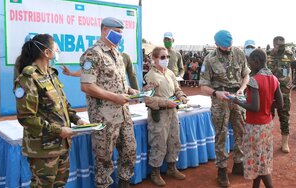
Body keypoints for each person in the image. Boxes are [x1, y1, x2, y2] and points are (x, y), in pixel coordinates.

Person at [14, 34, 88, 187]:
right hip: (43, 149)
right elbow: (26, 118)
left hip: (62, 145)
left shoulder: (52, 74)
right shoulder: (28, 78)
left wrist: (77, 119)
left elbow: (63, 104)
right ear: (46, 53)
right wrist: (58, 130)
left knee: (59, 184)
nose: (57, 51)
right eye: (55, 48)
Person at [79, 17, 137, 188]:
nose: (120, 36)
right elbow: (87, 86)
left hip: (123, 113)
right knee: (104, 157)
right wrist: (115, 98)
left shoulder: (117, 53)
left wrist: (129, 91)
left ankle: (124, 183)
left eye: (121, 32)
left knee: (129, 150)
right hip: (104, 116)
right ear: (104, 30)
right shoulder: (93, 53)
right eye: (116, 32)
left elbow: (116, 82)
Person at [199, 30, 250, 187]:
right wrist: (216, 93)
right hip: (220, 100)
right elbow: (203, 86)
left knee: (241, 130)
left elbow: (246, 75)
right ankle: (221, 170)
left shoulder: (239, 53)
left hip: (238, 98)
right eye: (225, 46)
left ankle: (238, 163)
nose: (228, 48)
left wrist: (242, 88)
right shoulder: (209, 59)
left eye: (230, 45)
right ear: (217, 44)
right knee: (221, 134)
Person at [230, 49, 283, 188]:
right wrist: (268, 103)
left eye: (250, 63)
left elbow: (254, 107)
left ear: (256, 62)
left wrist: (236, 100)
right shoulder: (274, 78)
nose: (250, 66)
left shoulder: (254, 80)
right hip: (267, 124)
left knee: (258, 161)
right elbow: (281, 103)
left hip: (255, 126)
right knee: (262, 156)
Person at [143, 46, 188, 186]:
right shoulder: (150, 76)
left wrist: (182, 96)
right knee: (159, 142)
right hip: (159, 114)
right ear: (155, 59)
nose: (166, 60)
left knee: (174, 140)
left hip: (172, 112)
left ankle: (171, 168)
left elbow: (177, 88)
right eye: (163, 57)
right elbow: (147, 99)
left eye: (167, 57)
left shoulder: (170, 73)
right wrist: (165, 102)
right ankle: (155, 173)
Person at [267, 36, 296, 153]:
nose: (281, 47)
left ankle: (284, 143)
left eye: (283, 45)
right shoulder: (268, 55)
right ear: (274, 44)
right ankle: (267, 141)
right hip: (269, 91)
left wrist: (295, 82)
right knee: (268, 116)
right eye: (278, 45)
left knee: (284, 116)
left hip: (284, 92)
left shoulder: (289, 54)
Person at [62, 48, 140, 90]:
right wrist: (71, 73)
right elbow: (86, 72)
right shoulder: (100, 56)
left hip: (122, 98)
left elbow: (132, 76)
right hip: (105, 99)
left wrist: (137, 94)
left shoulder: (124, 57)